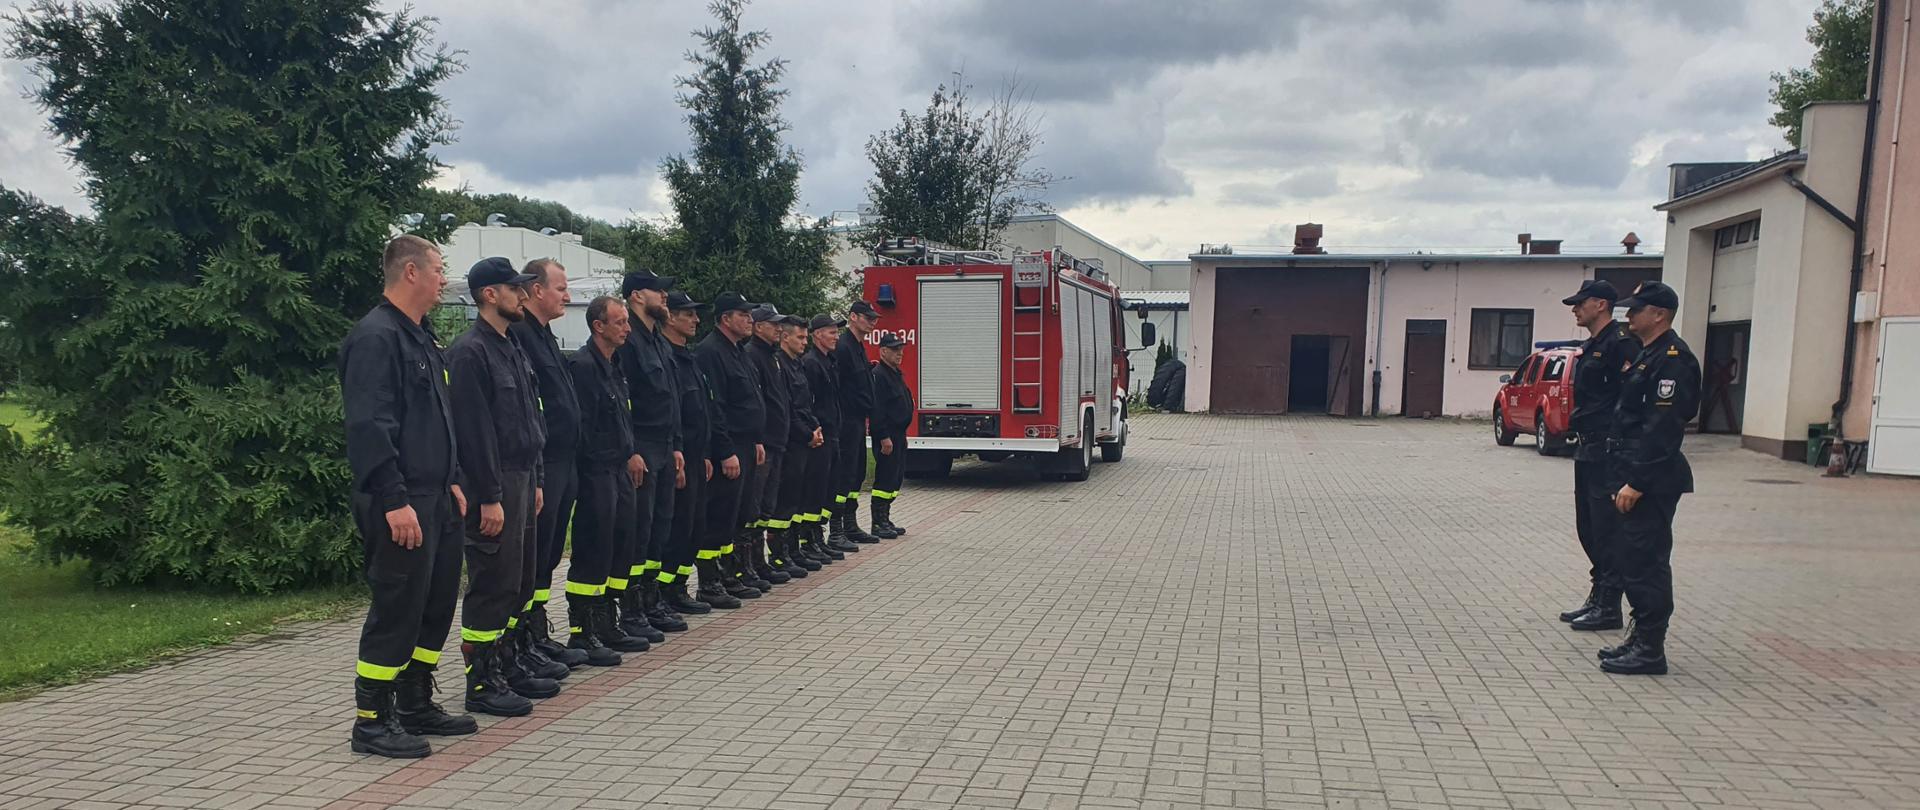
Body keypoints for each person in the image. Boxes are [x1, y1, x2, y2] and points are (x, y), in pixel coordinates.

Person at [339, 235, 475, 759]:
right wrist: (394, 498)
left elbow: (440, 421)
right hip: (401, 500)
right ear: (412, 272)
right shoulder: (376, 338)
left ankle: (415, 700)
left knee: (435, 605)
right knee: (397, 608)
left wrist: (456, 479)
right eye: (439, 269)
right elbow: (370, 426)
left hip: (438, 497)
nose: (445, 278)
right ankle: (372, 720)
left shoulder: (420, 337)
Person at [446, 257, 557, 717]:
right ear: (490, 295)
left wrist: (537, 479)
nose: (523, 295)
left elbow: (529, 420)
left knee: (518, 580)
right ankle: (481, 679)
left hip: (522, 476)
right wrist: (489, 497)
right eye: (514, 289)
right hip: (494, 483)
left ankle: (508, 661)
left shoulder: (511, 346)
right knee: (492, 582)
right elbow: (475, 434)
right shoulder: (470, 352)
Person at [1599, 281, 1701, 676]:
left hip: (1651, 480)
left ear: (1659, 314)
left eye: (1637, 309)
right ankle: (1639, 637)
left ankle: (1650, 647)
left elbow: (1662, 429)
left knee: (1646, 561)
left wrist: (1637, 482)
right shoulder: (1650, 355)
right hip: (1630, 470)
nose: (1629, 315)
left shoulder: (1673, 360)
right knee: (1631, 558)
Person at [507, 259, 589, 672]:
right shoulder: (521, 334)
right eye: (561, 288)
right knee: (534, 554)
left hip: (562, 461)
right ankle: (519, 641)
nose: (568, 296)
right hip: (544, 462)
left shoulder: (543, 335)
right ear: (536, 290)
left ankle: (536, 633)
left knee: (550, 552)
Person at [564, 296, 648, 666]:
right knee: (594, 548)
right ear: (598, 326)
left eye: (627, 322)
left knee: (620, 544)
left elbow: (621, 417)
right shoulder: (583, 366)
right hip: (597, 471)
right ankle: (584, 629)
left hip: (620, 468)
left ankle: (609, 621)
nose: (627, 328)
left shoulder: (615, 365)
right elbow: (584, 425)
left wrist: (631, 450)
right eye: (620, 322)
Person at [1558, 279, 1639, 632]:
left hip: (1608, 447)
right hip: (1587, 445)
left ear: (1601, 305)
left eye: (1580, 303)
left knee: (1606, 529)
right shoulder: (1594, 345)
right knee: (1588, 527)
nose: (1575, 309)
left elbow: (1632, 399)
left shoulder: (1622, 346)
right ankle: (1598, 594)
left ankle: (1609, 604)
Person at [613, 271, 682, 645]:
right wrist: (631, 450)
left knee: (659, 527)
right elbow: (624, 402)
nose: (665, 297)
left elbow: (667, 398)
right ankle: (631, 607)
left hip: (662, 445)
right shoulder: (629, 342)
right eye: (660, 291)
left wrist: (675, 444)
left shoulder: (657, 341)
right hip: (640, 446)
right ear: (638, 295)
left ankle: (650, 599)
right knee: (637, 532)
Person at [694, 292, 766, 607]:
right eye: (743, 314)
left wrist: (758, 440)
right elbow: (716, 408)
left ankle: (729, 575)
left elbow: (750, 399)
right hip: (730, 446)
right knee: (720, 516)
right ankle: (710, 583)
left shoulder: (737, 351)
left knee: (737, 515)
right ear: (726, 319)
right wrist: (724, 451)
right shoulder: (710, 352)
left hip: (747, 444)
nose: (750, 319)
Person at [660, 291, 723, 615]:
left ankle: (679, 587)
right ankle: (664, 592)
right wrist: (679, 452)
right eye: (689, 314)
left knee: (693, 526)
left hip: (699, 457)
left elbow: (704, 408)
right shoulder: (667, 357)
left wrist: (708, 453)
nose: (697, 320)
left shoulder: (690, 358)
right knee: (677, 526)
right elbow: (673, 413)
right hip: (679, 457)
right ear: (669, 317)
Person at [742, 305, 794, 590]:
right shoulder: (753, 355)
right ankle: (747, 564)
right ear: (758, 326)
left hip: (777, 442)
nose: (778, 329)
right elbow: (757, 403)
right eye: (773, 324)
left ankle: (759, 562)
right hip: (763, 445)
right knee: (754, 506)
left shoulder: (771, 356)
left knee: (766, 506)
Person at [770, 313, 824, 578]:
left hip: (805, 439)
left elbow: (806, 404)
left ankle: (793, 550)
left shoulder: (797, 365)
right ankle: (779, 555)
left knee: (797, 499)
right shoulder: (779, 365)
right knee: (785, 501)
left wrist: (816, 427)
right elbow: (787, 409)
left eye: (805, 337)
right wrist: (806, 434)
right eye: (800, 337)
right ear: (785, 336)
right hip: (791, 442)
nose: (805, 342)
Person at [800, 314, 856, 560]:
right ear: (818, 334)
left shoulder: (828, 361)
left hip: (834, 433)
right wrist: (815, 429)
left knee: (828, 489)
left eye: (837, 332)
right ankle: (809, 541)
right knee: (815, 490)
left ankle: (818, 538)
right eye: (832, 332)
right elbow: (808, 403)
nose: (836, 337)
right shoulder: (811, 363)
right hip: (820, 436)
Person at [832, 301, 883, 545]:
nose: (873, 322)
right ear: (853, 317)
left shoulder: (858, 347)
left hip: (857, 421)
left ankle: (850, 525)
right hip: (845, 420)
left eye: (874, 318)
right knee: (843, 475)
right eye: (868, 318)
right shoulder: (843, 347)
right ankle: (836, 530)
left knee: (856, 474)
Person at [869, 331, 915, 538]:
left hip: (898, 434)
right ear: (883, 351)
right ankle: (877, 522)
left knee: (895, 478)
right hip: (887, 436)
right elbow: (877, 410)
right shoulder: (879, 375)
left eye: (901, 349)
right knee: (885, 479)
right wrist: (883, 436)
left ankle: (885, 518)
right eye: (895, 350)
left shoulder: (894, 373)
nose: (900, 353)